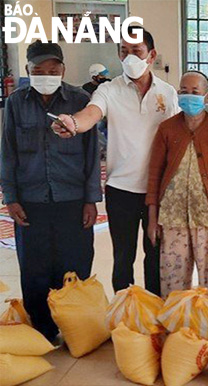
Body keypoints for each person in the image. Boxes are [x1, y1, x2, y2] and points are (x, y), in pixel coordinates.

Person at [51, 26, 179, 296]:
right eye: (124, 52)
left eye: (136, 51)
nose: (129, 57)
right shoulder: (109, 90)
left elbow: (177, 136)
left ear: (151, 55)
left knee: (156, 256)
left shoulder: (167, 93)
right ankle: (125, 312)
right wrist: (73, 123)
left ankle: (154, 313)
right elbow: (91, 113)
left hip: (158, 191)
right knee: (123, 258)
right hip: (121, 190)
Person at [0, 41, 101, 342]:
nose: (46, 75)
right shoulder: (17, 102)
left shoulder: (80, 99)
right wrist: (11, 197)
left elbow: (92, 153)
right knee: (34, 269)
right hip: (31, 202)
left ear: (63, 70)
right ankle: (43, 330)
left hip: (72, 200)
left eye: (53, 70)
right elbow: (8, 152)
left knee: (75, 267)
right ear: (28, 71)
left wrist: (91, 200)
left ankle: (75, 329)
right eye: (38, 71)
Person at [145, 71, 208, 302]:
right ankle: (177, 331)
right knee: (173, 282)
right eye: (183, 91)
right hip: (172, 217)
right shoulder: (167, 129)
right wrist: (152, 218)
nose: (189, 97)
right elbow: (155, 174)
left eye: (195, 92)